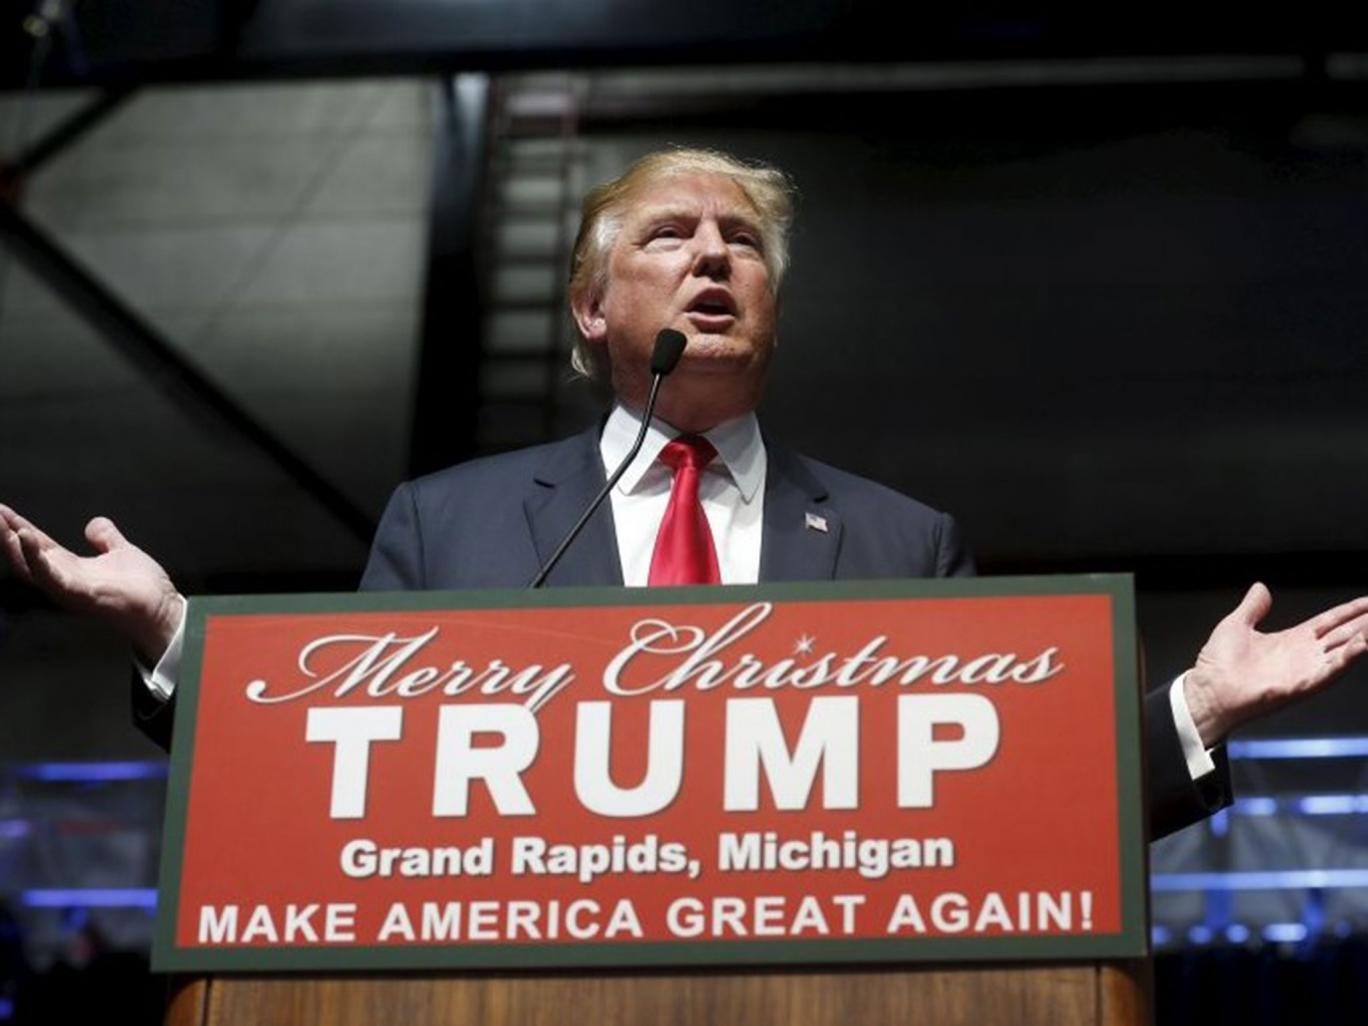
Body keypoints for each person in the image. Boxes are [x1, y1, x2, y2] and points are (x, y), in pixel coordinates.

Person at [2, 149, 1366, 840]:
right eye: (672, 236)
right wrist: (173, 633)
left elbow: (1003, 806)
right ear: (596, 309)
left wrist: (1196, 709)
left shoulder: (902, 540)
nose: (715, 257)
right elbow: (339, 782)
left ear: (771, 308)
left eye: (744, 245)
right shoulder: (450, 523)